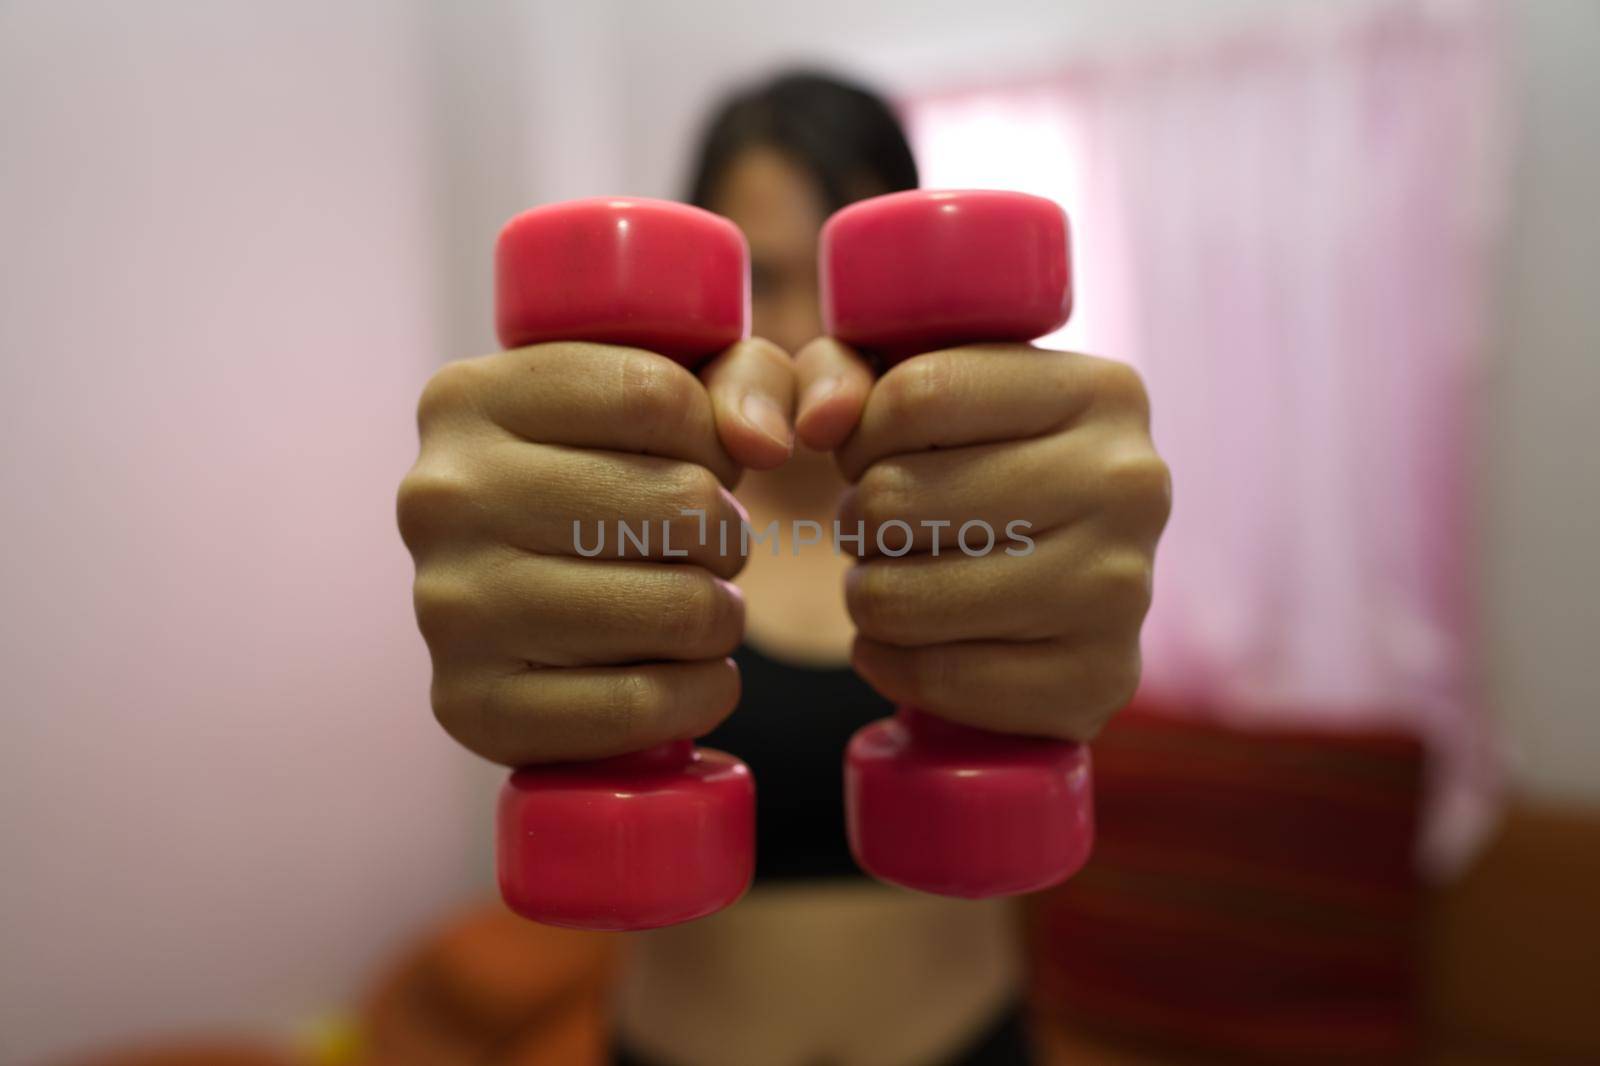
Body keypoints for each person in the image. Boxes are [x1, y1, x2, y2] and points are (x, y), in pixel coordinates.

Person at [397, 70, 1171, 1066]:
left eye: (834, 274)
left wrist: (1096, 608)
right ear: (699, 288)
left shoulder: (999, 518)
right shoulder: (615, 531)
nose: (802, 329)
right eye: (763, 278)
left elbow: (1071, 671)